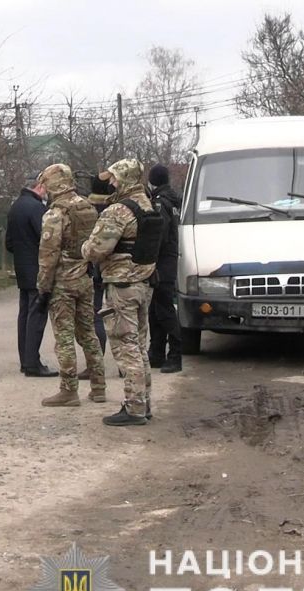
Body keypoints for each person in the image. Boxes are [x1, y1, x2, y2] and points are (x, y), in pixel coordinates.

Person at [83, 159, 156, 427]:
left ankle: (134, 407)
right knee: (139, 346)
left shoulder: (118, 210)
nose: (111, 183)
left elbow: (96, 250)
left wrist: (84, 247)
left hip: (122, 285)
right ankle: (144, 403)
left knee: (126, 347)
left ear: (124, 179)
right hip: (144, 282)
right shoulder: (148, 205)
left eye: (114, 178)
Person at [35, 163, 105, 407]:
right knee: (88, 333)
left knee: (64, 338)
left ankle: (68, 390)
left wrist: (43, 287)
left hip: (62, 283)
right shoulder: (88, 207)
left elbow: (48, 256)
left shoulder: (55, 214)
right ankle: (98, 386)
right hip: (85, 278)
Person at [5, 175, 57, 377]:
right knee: (37, 315)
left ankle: (25, 360)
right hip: (38, 268)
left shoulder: (15, 206)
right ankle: (32, 363)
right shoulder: (37, 208)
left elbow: (9, 243)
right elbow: (47, 239)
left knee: (25, 314)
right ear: (40, 186)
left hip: (22, 268)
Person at [147, 164, 183, 374]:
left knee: (165, 310)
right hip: (167, 261)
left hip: (162, 262)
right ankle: (157, 352)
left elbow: (159, 235)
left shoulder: (161, 203)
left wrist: (147, 256)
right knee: (155, 309)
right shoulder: (172, 199)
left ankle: (175, 355)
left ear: (153, 181)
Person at [82, 176, 116, 373]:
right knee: (121, 315)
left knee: (95, 316)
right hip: (115, 269)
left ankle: (95, 364)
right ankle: (124, 365)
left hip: (92, 268)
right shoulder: (118, 209)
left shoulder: (87, 210)